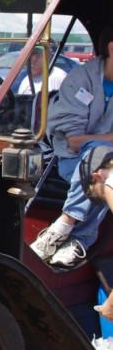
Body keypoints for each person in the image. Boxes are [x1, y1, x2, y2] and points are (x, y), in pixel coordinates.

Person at [31, 26, 113, 267]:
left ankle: (64, 225)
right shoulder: (80, 80)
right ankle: (81, 240)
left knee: (105, 164)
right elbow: (74, 142)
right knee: (101, 161)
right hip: (72, 161)